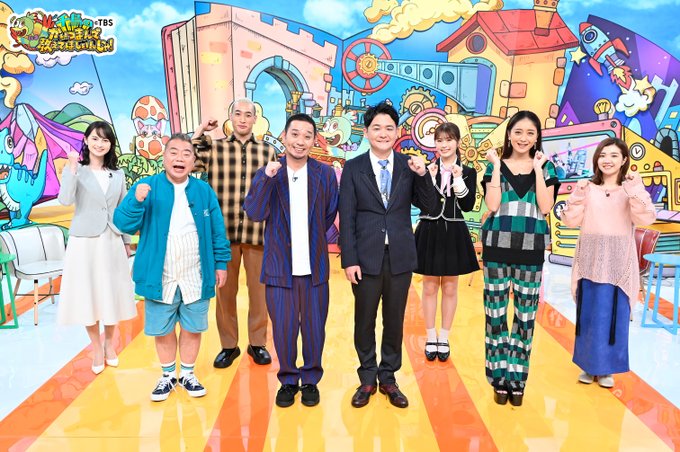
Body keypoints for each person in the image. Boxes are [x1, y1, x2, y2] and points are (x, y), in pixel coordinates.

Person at [114, 133, 230, 402]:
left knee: (192, 327)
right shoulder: (147, 186)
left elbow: (217, 231)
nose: (180, 158)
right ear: (164, 157)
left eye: (186, 154)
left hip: (196, 271)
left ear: (193, 160)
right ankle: (167, 376)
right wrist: (136, 201)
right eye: (174, 152)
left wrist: (221, 263)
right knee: (163, 328)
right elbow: (122, 223)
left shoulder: (204, 191)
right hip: (160, 273)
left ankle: (187, 373)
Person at [339, 101, 437, 409]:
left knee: (394, 320)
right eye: (377, 128)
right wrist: (349, 259)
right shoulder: (353, 168)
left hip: (399, 257)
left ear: (397, 132)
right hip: (365, 258)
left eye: (389, 128)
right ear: (367, 132)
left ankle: (389, 377)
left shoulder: (409, 166)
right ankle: (367, 376)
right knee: (364, 320)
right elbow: (347, 216)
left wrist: (423, 175)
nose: (383, 133)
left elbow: (431, 206)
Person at [243, 113, 338, 408]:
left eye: (307, 136)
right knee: (283, 328)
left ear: (313, 141)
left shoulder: (324, 174)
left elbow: (328, 215)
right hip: (279, 267)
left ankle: (310, 379)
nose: (300, 141)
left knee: (314, 328)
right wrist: (266, 178)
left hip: (314, 267)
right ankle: (287, 379)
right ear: (284, 137)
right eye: (295, 134)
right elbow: (255, 212)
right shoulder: (270, 172)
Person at [561, 137, 655, 388]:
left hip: (618, 263)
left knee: (614, 317)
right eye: (603, 155)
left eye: (614, 155)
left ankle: (606, 369)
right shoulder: (588, 189)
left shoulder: (629, 190)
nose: (607, 160)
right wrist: (578, 194)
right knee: (589, 316)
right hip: (590, 260)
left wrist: (636, 190)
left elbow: (646, 218)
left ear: (624, 160)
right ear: (596, 159)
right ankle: (588, 365)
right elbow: (570, 220)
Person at [481, 110, 560, 407]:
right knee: (495, 316)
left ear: (537, 137)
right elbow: (492, 204)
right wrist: (496, 167)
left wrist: (538, 169)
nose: (523, 138)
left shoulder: (547, 167)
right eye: (518, 132)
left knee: (525, 318)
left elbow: (545, 206)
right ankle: (498, 379)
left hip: (531, 251)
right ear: (509, 134)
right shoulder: (494, 165)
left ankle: (517, 380)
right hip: (496, 250)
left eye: (530, 133)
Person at [192, 98, 276, 368]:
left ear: (255, 119)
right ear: (231, 118)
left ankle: (257, 343)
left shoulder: (268, 151)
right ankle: (229, 346)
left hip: (257, 232)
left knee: (259, 293)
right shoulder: (215, 148)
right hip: (223, 235)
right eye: (237, 114)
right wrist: (201, 130)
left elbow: (275, 192)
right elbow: (187, 159)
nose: (242, 119)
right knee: (225, 294)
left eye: (248, 114)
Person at [57, 121, 136, 374]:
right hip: (84, 243)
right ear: (86, 140)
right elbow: (65, 199)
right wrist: (72, 167)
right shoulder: (76, 170)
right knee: (88, 294)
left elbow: (123, 210)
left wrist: (126, 241)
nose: (99, 144)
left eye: (105, 140)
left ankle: (110, 345)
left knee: (111, 293)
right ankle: (96, 348)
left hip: (111, 240)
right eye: (95, 138)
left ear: (110, 144)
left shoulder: (118, 174)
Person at [415, 122, 479, 362]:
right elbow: (422, 203)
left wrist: (459, 180)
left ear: (458, 142)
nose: (444, 144)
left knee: (450, 288)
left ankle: (444, 336)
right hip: (430, 229)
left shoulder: (468, 171)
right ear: (435, 143)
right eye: (440, 140)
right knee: (429, 287)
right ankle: (430, 335)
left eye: (449, 139)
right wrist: (429, 180)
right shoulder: (427, 169)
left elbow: (468, 206)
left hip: (453, 230)